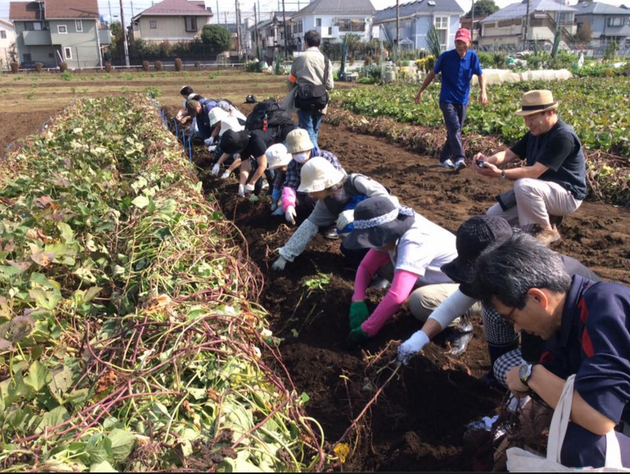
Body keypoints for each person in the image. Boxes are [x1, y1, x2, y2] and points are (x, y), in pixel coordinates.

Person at [470, 233, 630, 469]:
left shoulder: (605, 306)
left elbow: (600, 419)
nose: (516, 327)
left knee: (580, 444)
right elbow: (550, 396)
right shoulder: (561, 323)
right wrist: (509, 442)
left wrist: (528, 374)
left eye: (512, 317)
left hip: (612, 418)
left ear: (537, 298)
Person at [397, 216, 600, 388]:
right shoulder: (509, 273)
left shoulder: (539, 290)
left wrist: (526, 391)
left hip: (582, 359)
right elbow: (455, 303)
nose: (517, 327)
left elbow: (544, 358)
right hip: (557, 345)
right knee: (497, 324)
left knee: (523, 375)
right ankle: (502, 380)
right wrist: (421, 337)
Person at [474, 90, 587, 245]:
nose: (528, 123)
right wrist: (487, 161)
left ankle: (543, 230)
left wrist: (500, 173)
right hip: (542, 190)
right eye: (526, 118)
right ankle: (538, 225)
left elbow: (534, 172)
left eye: (532, 117)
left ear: (549, 113)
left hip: (567, 195)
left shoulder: (563, 136)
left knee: (523, 185)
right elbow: (508, 155)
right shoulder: (535, 133)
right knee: (493, 217)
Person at [342, 196, 462, 343]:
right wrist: (358, 300)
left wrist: (367, 329)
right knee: (385, 265)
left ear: (385, 232)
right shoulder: (392, 228)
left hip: (463, 289)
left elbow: (397, 296)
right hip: (432, 278)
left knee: (419, 301)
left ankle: (459, 323)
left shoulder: (414, 240)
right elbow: (366, 267)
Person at [271, 158, 395, 271]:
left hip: (388, 228)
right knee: (347, 247)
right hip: (364, 236)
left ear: (323, 185)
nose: (310, 194)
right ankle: (366, 268)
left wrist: (357, 212)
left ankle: (384, 272)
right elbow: (309, 226)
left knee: (348, 228)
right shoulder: (326, 202)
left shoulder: (355, 182)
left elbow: (387, 201)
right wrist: (285, 256)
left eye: (312, 190)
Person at [415, 28, 487, 172]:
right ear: (455, 43)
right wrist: (421, 91)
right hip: (447, 99)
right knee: (454, 128)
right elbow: (432, 74)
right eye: (458, 43)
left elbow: (480, 74)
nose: (461, 46)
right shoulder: (446, 57)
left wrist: (483, 91)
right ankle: (459, 158)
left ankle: (443, 159)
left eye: (463, 42)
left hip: (462, 100)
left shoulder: (472, 57)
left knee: (455, 131)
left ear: (469, 42)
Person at [281, 128, 344, 227]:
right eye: (295, 152)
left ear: (309, 148)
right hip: (307, 196)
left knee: (312, 198)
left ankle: (331, 223)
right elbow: (290, 185)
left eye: (302, 151)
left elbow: (339, 184)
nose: (299, 155)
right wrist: (288, 204)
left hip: (328, 194)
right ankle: (306, 219)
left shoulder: (327, 157)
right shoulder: (293, 164)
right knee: (300, 200)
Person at [283, 30, 334, 149]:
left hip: (303, 99)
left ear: (306, 42)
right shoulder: (326, 60)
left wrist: (292, 88)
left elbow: (291, 79)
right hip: (321, 101)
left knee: (308, 131)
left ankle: (315, 157)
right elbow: (330, 85)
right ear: (319, 43)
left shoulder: (299, 58)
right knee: (314, 131)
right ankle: (312, 158)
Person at [219, 128, 275, 197]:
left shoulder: (256, 141)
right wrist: (241, 184)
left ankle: (273, 194)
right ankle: (256, 194)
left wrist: (251, 183)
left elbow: (263, 165)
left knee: (271, 173)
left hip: (274, 149)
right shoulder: (241, 144)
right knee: (256, 175)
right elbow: (245, 166)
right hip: (260, 154)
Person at [265, 143, 293, 214]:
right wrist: (274, 199)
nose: (280, 170)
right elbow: (278, 182)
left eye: (281, 167)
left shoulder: (294, 166)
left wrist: (284, 201)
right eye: (278, 168)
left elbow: (290, 185)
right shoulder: (281, 172)